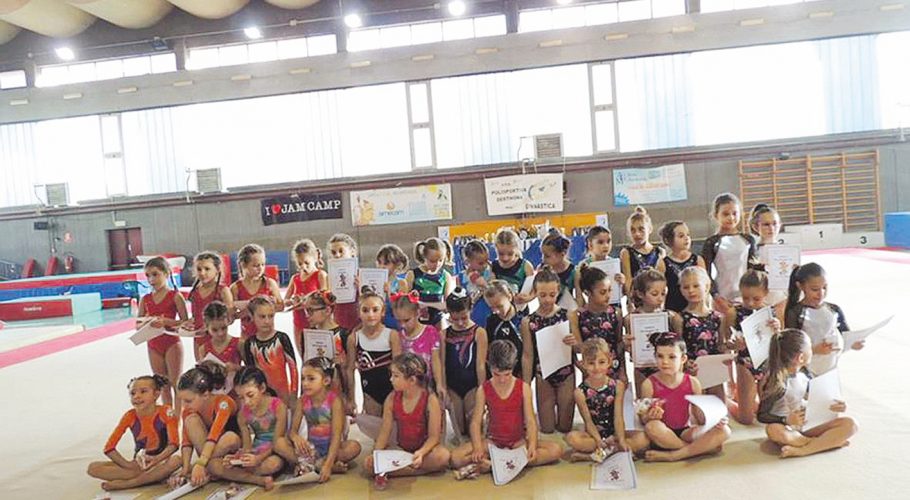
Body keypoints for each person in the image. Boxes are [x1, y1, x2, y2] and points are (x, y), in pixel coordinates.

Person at [450, 340, 563, 480]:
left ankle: (492, 465)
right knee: (456, 458)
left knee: (555, 450)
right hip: (493, 443)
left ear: (514, 366)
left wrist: (532, 446)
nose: (502, 380)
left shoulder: (523, 388)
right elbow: (475, 422)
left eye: (507, 374)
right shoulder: (483, 389)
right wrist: (478, 447)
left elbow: (530, 421)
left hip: (518, 442)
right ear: (489, 366)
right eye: (497, 374)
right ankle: (509, 464)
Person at [757, 329, 857, 458]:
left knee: (851, 424)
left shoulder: (805, 374)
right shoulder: (777, 382)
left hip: (806, 424)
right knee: (773, 430)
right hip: (786, 428)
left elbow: (818, 397)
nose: (812, 350)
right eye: (810, 348)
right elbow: (762, 415)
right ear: (801, 357)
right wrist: (785, 420)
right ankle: (821, 443)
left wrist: (837, 404)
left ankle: (804, 449)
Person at [640, 332, 732, 462]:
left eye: (672, 357)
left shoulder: (693, 382)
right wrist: (649, 417)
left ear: (683, 359)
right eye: (660, 356)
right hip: (661, 433)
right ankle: (697, 449)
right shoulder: (648, 384)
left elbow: (699, 417)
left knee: (725, 431)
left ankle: (674, 455)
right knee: (652, 427)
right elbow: (643, 420)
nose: (665, 362)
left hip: (685, 432)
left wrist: (715, 421)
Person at [364, 353, 451, 489]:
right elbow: (385, 432)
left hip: (424, 450)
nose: (391, 379)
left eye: (396, 376)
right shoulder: (392, 398)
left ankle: (394, 471)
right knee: (368, 464)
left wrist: (421, 453)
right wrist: (376, 454)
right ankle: (419, 470)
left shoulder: (430, 399)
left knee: (443, 456)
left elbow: (434, 437)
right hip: (400, 449)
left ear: (412, 380)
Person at [87, 375, 179, 491]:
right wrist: (128, 465)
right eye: (132, 393)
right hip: (140, 465)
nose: (137, 396)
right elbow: (109, 448)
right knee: (93, 468)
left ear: (156, 394)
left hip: (161, 461)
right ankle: (152, 477)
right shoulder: (129, 416)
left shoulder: (166, 412)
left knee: (176, 461)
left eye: (143, 391)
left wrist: (157, 459)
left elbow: (174, 444)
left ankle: (129, 483)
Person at [276, 357, 361, 482]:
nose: (305, 383)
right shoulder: (302, 401)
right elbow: (292, 431)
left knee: (354, 446)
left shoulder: (334, 401)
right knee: (279, 443)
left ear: (326, 380)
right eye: (303, 378)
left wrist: (328, 465)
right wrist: (296, 438)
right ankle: (319, 465)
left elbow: (337, 436)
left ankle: (319, 465)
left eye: (311, 379)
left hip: (333, 448)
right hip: (311, 450)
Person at [564, 338, 649, 461]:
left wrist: (621, 439)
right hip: (594, 436)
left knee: (644, 438)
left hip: (615, 434)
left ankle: (591, 456)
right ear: (583, 364)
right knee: (572, 438)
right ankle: (612, 451)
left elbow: (618, 416)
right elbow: (588, 422)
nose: (596, 367)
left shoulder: (618, 385)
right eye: (591, 363)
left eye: (601, 362)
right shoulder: (580, 392)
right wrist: (599, 441)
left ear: (609, 361)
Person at [208, 367, 287, 491]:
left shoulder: (278, 406)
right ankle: (257, 479)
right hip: (256, 452)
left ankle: (240, 476)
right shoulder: (243, 414)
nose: (246, 402)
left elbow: (278, 441)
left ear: (262, 388)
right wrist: (236, 458)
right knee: (213, 465)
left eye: (250, 395)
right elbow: (247, 447)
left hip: (275, 451)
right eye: (241, 398)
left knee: (273, 464)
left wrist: (258, 459)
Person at [521, 269, 576, 433]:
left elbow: (580, 347)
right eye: (542, 295)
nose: (547, 300)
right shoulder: (528, 321)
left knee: (565, 427)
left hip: (566, 374)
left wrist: (574, 342)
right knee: (547, 429)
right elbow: (528, 355)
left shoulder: (568, 315)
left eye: (552, 295)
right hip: (543, 375)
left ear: (558, 291)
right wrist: (526, 384)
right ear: (535, 293)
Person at [722, 270, 780, 425]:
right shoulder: (734, 312)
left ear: (766, 293)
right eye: (745, 298)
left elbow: (780, 341)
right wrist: (734, 345)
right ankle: (729, 404)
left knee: (766, 414)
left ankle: (749, 401)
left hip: (766, 362)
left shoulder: (770, 312)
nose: (751, 303)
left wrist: (778, 328)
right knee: (746, 419)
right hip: (745, 362)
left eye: (756, 298)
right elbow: (726, 342)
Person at [784, 263, 862, 376]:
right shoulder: (796, 312)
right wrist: (815, 350)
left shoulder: (834, 310)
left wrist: (853, 343)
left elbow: (846, 335)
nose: (821, 293)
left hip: (830, 368)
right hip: (806, 370)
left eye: (824, 287)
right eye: (815, 289)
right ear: (800, 286)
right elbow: (791, 348)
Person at [171, 364, 241, 488]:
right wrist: (185, 469)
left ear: (205, 394)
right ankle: (207, 468)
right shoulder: (188, 410)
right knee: (190, 420)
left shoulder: (224, 403)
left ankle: (204, 466)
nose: (184, 405)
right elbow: (186, 442)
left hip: (231, 448)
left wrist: (200, 463)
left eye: (188, 401)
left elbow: (214, 435)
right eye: (181, 400)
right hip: (209, 454)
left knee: (230, 437)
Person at [137, 256, 188, 410]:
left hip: (171, 343)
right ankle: (168, 416)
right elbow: (137, 324)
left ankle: (178, 417)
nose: (151, 279)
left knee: (176, 383)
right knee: (162, 384)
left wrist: (167, 322)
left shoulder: (175, 296)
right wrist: (147, 322)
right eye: (148, 276)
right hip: (153, 344)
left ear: (166, 273)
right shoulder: (145, 299)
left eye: (155, 274)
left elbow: (185, 322)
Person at [347, 289, 402, 428]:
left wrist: (400, 393)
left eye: (375, 310)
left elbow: (400, 368)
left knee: (393, 428)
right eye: (365, 310)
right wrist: (352, 398)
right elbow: (350, 370)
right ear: (359, 313)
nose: (370, 314)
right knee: (376, 429)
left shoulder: (392, 335)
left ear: (383, 312)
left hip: (392, 390)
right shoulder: (354, 338)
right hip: (370, 393)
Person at [623, 269, 683, 394]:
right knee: (644, 401)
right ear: (640, 294)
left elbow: (681, 347)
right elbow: (629, 348)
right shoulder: (631, 319)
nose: (660, 298)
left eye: (663, 293)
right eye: (655, 294)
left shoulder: (672, 318)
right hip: (642, 367)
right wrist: (627, 344)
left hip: (667, 367)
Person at [443, 288, 488, 438]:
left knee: (473, 430)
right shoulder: (443, 334)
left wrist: (482, 390)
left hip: (472, 386)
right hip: (453, 387)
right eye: (455, 319)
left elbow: (480, 365)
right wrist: (443, 388)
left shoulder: (479, 332)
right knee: (460, 432)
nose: (460, 323)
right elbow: (441, 365)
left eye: (464, 317)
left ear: (471, 309)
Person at [701, 193, 757, 313]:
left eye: (734, 213)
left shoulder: (748, 240)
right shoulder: (712, 242)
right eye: (725, 214)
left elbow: (753, 270)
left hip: (747, 297)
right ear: (716, 215)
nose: (731, 218)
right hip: (722, 298)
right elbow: (705, 273)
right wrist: (716, 296)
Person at [240, 297, 299, 408]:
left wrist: (294, 393)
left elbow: (293, 368)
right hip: (262, 396)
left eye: (271, 316)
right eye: (262, 317)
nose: (267, 321)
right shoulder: (250, 343)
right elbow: (251, 374)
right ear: (252, 316)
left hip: (283, 395)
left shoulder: (282, 338)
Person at [678, 267, 726, 402]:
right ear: (681, 290)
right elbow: (678, 347)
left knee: (718, 406)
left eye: (696, 286)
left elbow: (721, 345)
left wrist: (730, 348)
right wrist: (685, 363)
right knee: (695, 406)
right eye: (686, 287)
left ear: (706, 286)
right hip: (692, 369)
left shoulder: (718, 317)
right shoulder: (680, 318)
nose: (691, 290)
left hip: (714, 369)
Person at [570, 264, 624, 379]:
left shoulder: (616, 313)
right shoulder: (578, 315)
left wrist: (623, 371)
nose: (608, 296)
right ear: (587, 293)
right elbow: (578, 348)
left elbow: (619, 344)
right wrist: (582, 368)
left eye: (609, 290)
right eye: (603, 292)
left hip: (613, 370)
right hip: (591, 372)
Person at [393, 290, 445, 402]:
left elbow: (436, 361)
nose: (402, 325)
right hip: (406, 388)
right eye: (399, 321)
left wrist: (439, 384)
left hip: (427, 385)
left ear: (417, 313)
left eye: (406, 320)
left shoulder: (430, 332)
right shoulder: (398, 336)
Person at [185, 251, 233, 360]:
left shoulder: (223, 291)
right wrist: (189, 323)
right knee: (201, 367)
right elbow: (195, 316)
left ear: (217, 270)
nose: (202, 273)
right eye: (199, 269)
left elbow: (230, 318)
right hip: (198, 338)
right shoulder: (195, 292)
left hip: (218, 338)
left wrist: (210, 328)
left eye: (207, 269)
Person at [231, 243, 283, 341]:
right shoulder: (235, 288)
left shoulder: (270, 284)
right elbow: (231, 317)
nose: (260, 268)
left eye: (263, 264)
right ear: (243, 265)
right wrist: (248, 311)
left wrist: (270, 307)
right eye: (255, 265)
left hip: (268, 335)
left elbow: (281, 306)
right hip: (247, 336)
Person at [285, 239, 328, 355]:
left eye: (307, 263)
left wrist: (307, 300)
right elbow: (285, 300)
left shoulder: (320, 275)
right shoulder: (295, 278)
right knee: (304, 356)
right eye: (300, 264)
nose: (303, 266)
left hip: (316, 323)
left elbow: (325, 299)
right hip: (299, 323)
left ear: (315, 258)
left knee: (318, 357)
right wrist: (292, 301)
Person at [656, 221, 705, 313]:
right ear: (669, 240)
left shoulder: (698, 260)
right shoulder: (663, 263)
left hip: (695, 309)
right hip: (673, 309)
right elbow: (660, 289)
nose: (686, 238)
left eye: (688, 235)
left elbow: (705, 286)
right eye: (681, 236)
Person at [406, 237, 456, 329]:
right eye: (432, 261)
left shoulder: (445, 276)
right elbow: (404, 302)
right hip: (417, 321)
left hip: (437, 321)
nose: (437, 264)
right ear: (424, 257)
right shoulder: (412, 275)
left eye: (440, 260)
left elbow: (447, 305)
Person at [196, 301, 242, 394]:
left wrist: (236, 368)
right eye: (215, 330)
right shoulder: (203, 349)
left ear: (228, 321)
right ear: (206, 326)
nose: (220, 333)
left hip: (236, 393)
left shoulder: (238, 344)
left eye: (224, 328)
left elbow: (252, 371)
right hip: (214, 395)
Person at [574, 225, 625, 309]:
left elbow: (623, 293)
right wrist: (582, 309)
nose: (606, 245)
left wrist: (622, 282)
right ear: (590, 244)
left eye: (608, 241)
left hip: (613, 306)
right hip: (592, 308)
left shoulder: (615, 264)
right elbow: (579, 293)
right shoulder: (583, 266)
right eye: (600, 242)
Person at [620, 206, 664, 297]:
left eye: (641, 229)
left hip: (656, 298)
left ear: (649, 229)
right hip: (636, 298)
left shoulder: (659, 252)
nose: (637, 234)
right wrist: (631, 300)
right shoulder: (626, 252)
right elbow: (628, 280)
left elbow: (662, 280)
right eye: (633, 230)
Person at [483, 280, 524, 379]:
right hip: (497, 375)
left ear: (509, 296)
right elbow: (487, 351)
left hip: (518, 374)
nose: (496, 311)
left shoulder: (522, 320)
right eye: (491, 308)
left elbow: (528, 353)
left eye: (499, 306)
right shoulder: (491, 321)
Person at [491, 228, 535, 308]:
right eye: (501, 254)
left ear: (517, 249)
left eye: (510, 254)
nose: (505, 258)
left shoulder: (526, 266)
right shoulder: (493, 266)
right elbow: (491, 291)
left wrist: (528, 298)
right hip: (500, 309)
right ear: (495, 249)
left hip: (520, 309)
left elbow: (535, 289)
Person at [458, 239, 495, 326]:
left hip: (488, 315)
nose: (485, 265)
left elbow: (495, 293)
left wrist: (485, 285)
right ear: (468, 261)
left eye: (487, 261)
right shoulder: (461, 277)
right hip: (471, 318)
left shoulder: (489, 274)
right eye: (481, 263)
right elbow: (460, 301)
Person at [376, 243, 411, 330]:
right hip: (377, 322)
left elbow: (401, 308)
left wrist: (389, 294)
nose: (381, 266)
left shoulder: (401, 283)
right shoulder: (375, 281)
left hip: (394, 323)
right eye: (379, 262)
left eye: (386, 263)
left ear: (397, 265)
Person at [540, 229, 577, 309]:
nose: (543, 259)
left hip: (567, 310)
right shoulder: (543, 269)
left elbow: (579, 296)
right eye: (542, 255)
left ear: (562, 254)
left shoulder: (573, 272)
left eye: (547, 256)